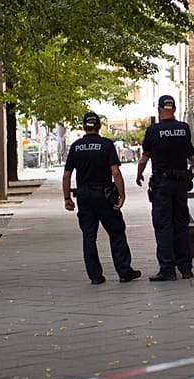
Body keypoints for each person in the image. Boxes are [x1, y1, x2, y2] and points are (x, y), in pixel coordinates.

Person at [62, 111, 141, 285]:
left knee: (89, 235)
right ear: (98, 126)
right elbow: (115, 172)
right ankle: (124, 271)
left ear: (84, 126)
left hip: (83, 195)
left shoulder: (76, 146)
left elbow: (67, 174)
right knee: (116, 232)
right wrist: (121, 194)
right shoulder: (106, 145)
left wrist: (67, 197)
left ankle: (95, 276)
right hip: (103, 195)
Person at [135, 95, 194, 281]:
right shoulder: (183, 129)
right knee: (181, 224)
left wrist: (139, 174)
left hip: (162, 185)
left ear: (159, 110)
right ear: (173, 109)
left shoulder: (153, 131)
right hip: (181, 184)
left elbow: (144, 158)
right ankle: (186, 268)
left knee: (163, 225)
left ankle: (167, 268)